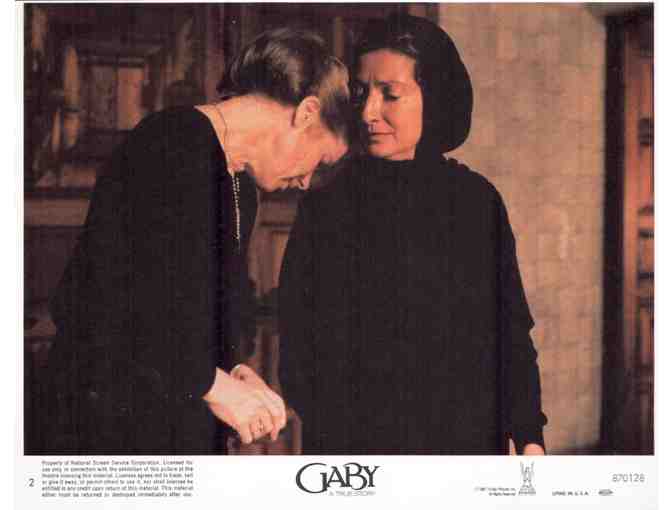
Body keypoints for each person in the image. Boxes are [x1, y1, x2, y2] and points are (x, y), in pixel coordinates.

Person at [38, 27, 350, 454]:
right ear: (307, 112)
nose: (306, 181)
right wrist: (213, 385)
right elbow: (106, 308)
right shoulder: (169, 142)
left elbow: (202, 311)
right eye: (320, 160)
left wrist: (237, 371)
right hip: (103, 431)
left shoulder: (241, 185)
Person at [279, 14, 547, 455]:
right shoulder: (326, 205)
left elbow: (511, 331)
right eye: (361, 93)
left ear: (434, 96)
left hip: (463, 447)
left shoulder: (476, 202)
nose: (368, 112)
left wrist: (529, 433)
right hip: (356, 452)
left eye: (390, 94)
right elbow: (298, 343)